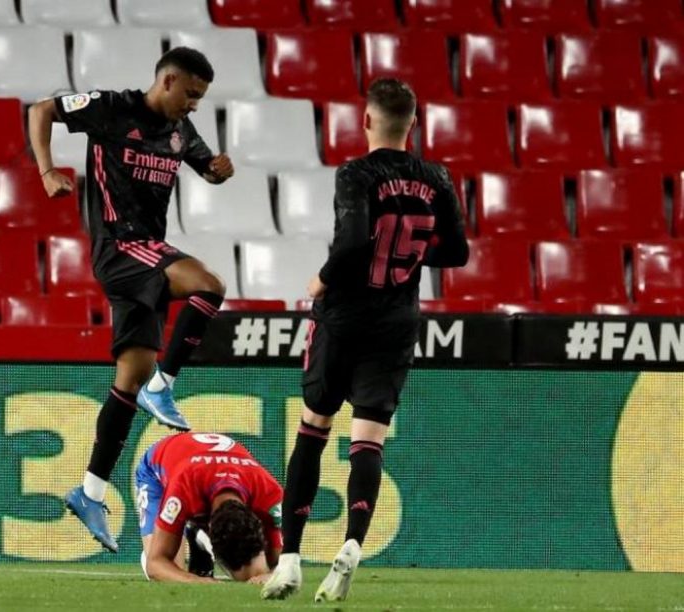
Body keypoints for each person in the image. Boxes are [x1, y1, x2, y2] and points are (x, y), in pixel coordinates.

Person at [261, 78, 469, 602]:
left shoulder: (357, 174)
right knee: (368, 439)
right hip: (396, 321)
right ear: (413, 123)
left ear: (367, 120)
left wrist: (323, 279)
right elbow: (457, 252)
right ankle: (352, 543)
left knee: (313, 429)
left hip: (344, 316)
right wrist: (410, 255)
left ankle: (288, 559)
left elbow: (353, 240)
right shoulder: (436, 176)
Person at [28, 47, 234, 553]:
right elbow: (41, 110)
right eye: (190, 94)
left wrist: (218, 171)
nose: (193, 105)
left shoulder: (181, 132)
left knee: (128, 379)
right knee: (210, 285)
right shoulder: (112, 108)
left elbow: (207, 167)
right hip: (121, 246)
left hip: (146, 260)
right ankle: (164, 385)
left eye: (200, 98)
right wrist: (47, 170)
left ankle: (90, 491)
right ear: (166, 81)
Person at [135, 432, 283, 583]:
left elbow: (282, 562)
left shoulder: (269, 493)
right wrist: (196, 581)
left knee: (256, 573)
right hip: (157, 470)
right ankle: (193, 529)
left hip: (204, 469)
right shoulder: (183, 489)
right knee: (170, 573)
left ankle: (198, 534)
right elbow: (156, 563)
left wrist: (270, 575)